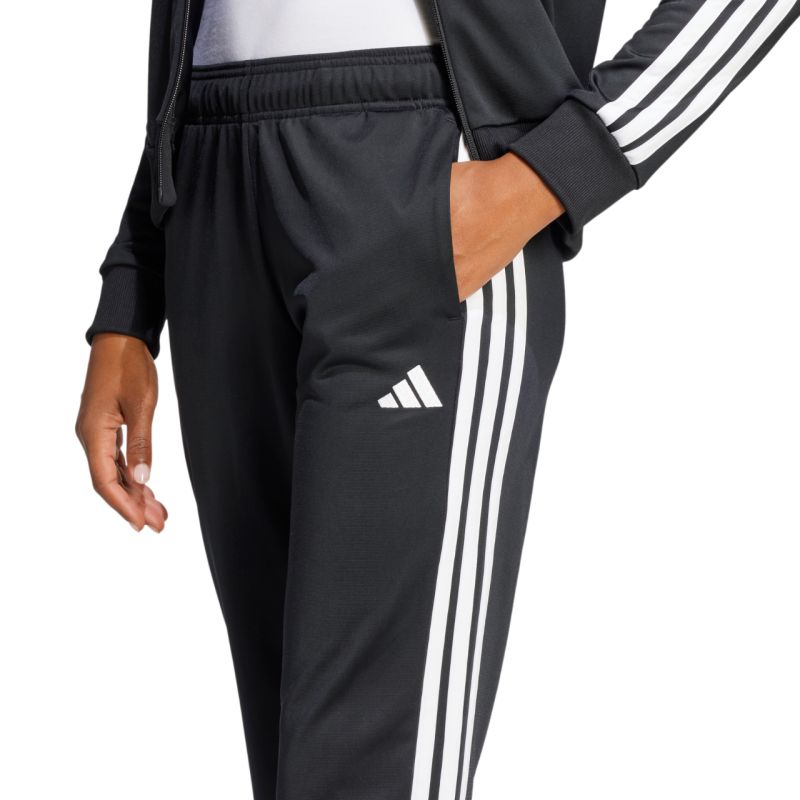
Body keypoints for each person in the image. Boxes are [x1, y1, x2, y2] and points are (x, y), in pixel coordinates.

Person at [75, 1, 799, 798]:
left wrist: (564, 165)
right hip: (212, 190)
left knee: (362, 774)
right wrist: (134, 283)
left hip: (420, 162)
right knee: (292, 769)